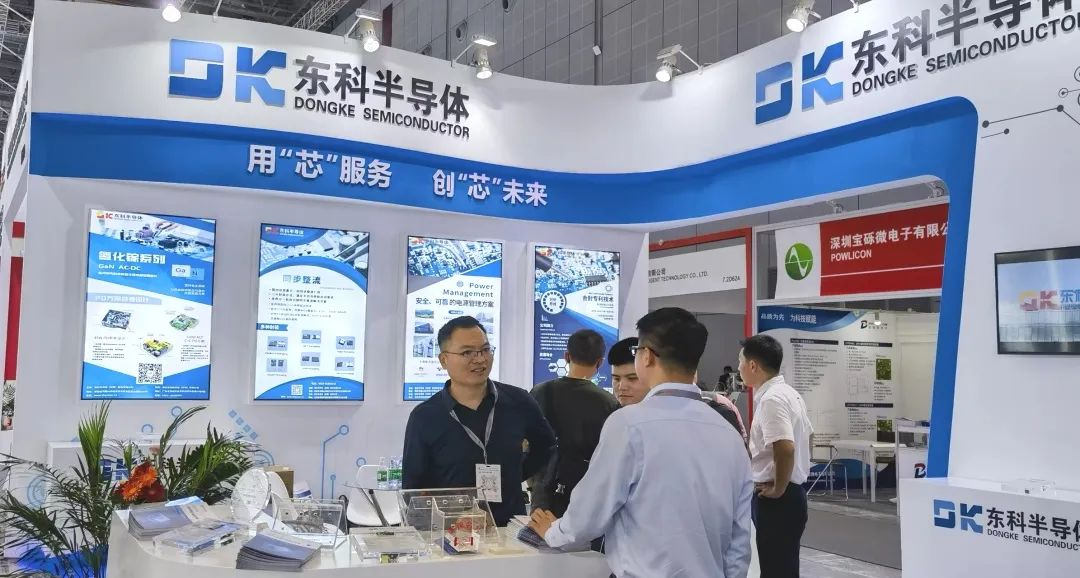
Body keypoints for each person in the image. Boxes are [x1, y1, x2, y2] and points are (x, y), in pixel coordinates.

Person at [530, 308, 752, 578]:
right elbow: (740, 538)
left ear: (646, 356)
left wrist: (554, 532)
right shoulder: (727, 434)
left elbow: (589, 514)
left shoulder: (629, 424)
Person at [402, 316, 556, 526]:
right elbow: (413, 488)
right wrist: (445, 520)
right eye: (467, 353)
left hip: (509, 529)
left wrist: (513, 475)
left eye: (485, 350)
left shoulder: (519, 401)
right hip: (453, 532)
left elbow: (546, 446)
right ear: (444, 360)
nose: (480, 359)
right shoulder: (425, 416)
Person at [740, 334, 813, 578]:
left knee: (775, 569)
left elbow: (785, 446)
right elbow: (809, 436)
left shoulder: (772, 399)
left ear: (753, 365)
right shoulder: (789, 394)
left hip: (778, 499)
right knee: (784, 567)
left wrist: (779, 488)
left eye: (741, 362)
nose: (739, 368)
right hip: (790, 495)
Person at [530, 329, 620, 516]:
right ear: (600, 362)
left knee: (541, 533)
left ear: (566, 356)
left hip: (544, 492)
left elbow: (527, 444)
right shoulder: (608, 402)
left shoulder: (539, 392)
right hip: (588, 495)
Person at [607, 337, 648, 406]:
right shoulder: (607, 411)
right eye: (616, 379)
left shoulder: (666, 411)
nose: (622, 387)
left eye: (632, 378)